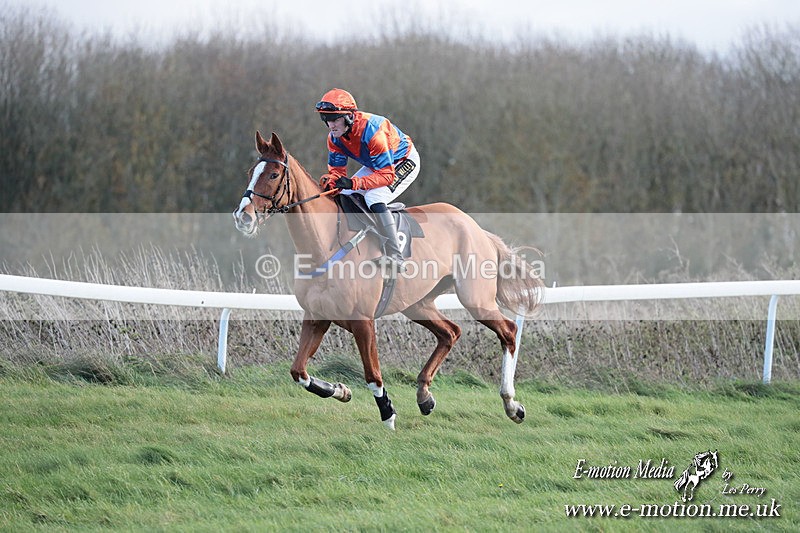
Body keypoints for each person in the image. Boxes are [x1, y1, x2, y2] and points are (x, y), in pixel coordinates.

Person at [315, 88, 420, 273]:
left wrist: (354, 183)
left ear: (349, 116)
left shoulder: (372, 132)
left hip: (402, 161)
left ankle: (396, 255)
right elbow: (337, 173)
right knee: (345, 194)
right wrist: (331, 182)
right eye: (326, 119)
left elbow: (387, 176)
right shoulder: (334, 138)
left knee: (373, 197)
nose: (330, 125)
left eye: (334, 119)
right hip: (377, 165)